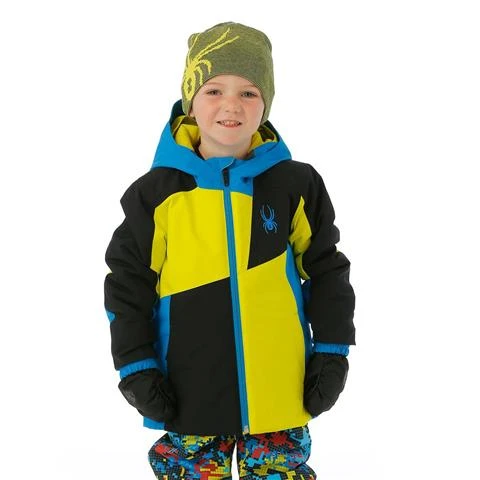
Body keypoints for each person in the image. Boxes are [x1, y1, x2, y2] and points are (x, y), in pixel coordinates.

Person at [104, 21, 356, 480]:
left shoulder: (295, 184)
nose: (231, 105)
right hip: (189, 392)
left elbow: (327, 271)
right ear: (191, 100)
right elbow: (127, 285)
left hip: (280, 391)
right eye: (214, 90)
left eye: (249, 92)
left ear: (266, 104)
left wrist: (333, 350)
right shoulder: (155, 194)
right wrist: (135, 364)